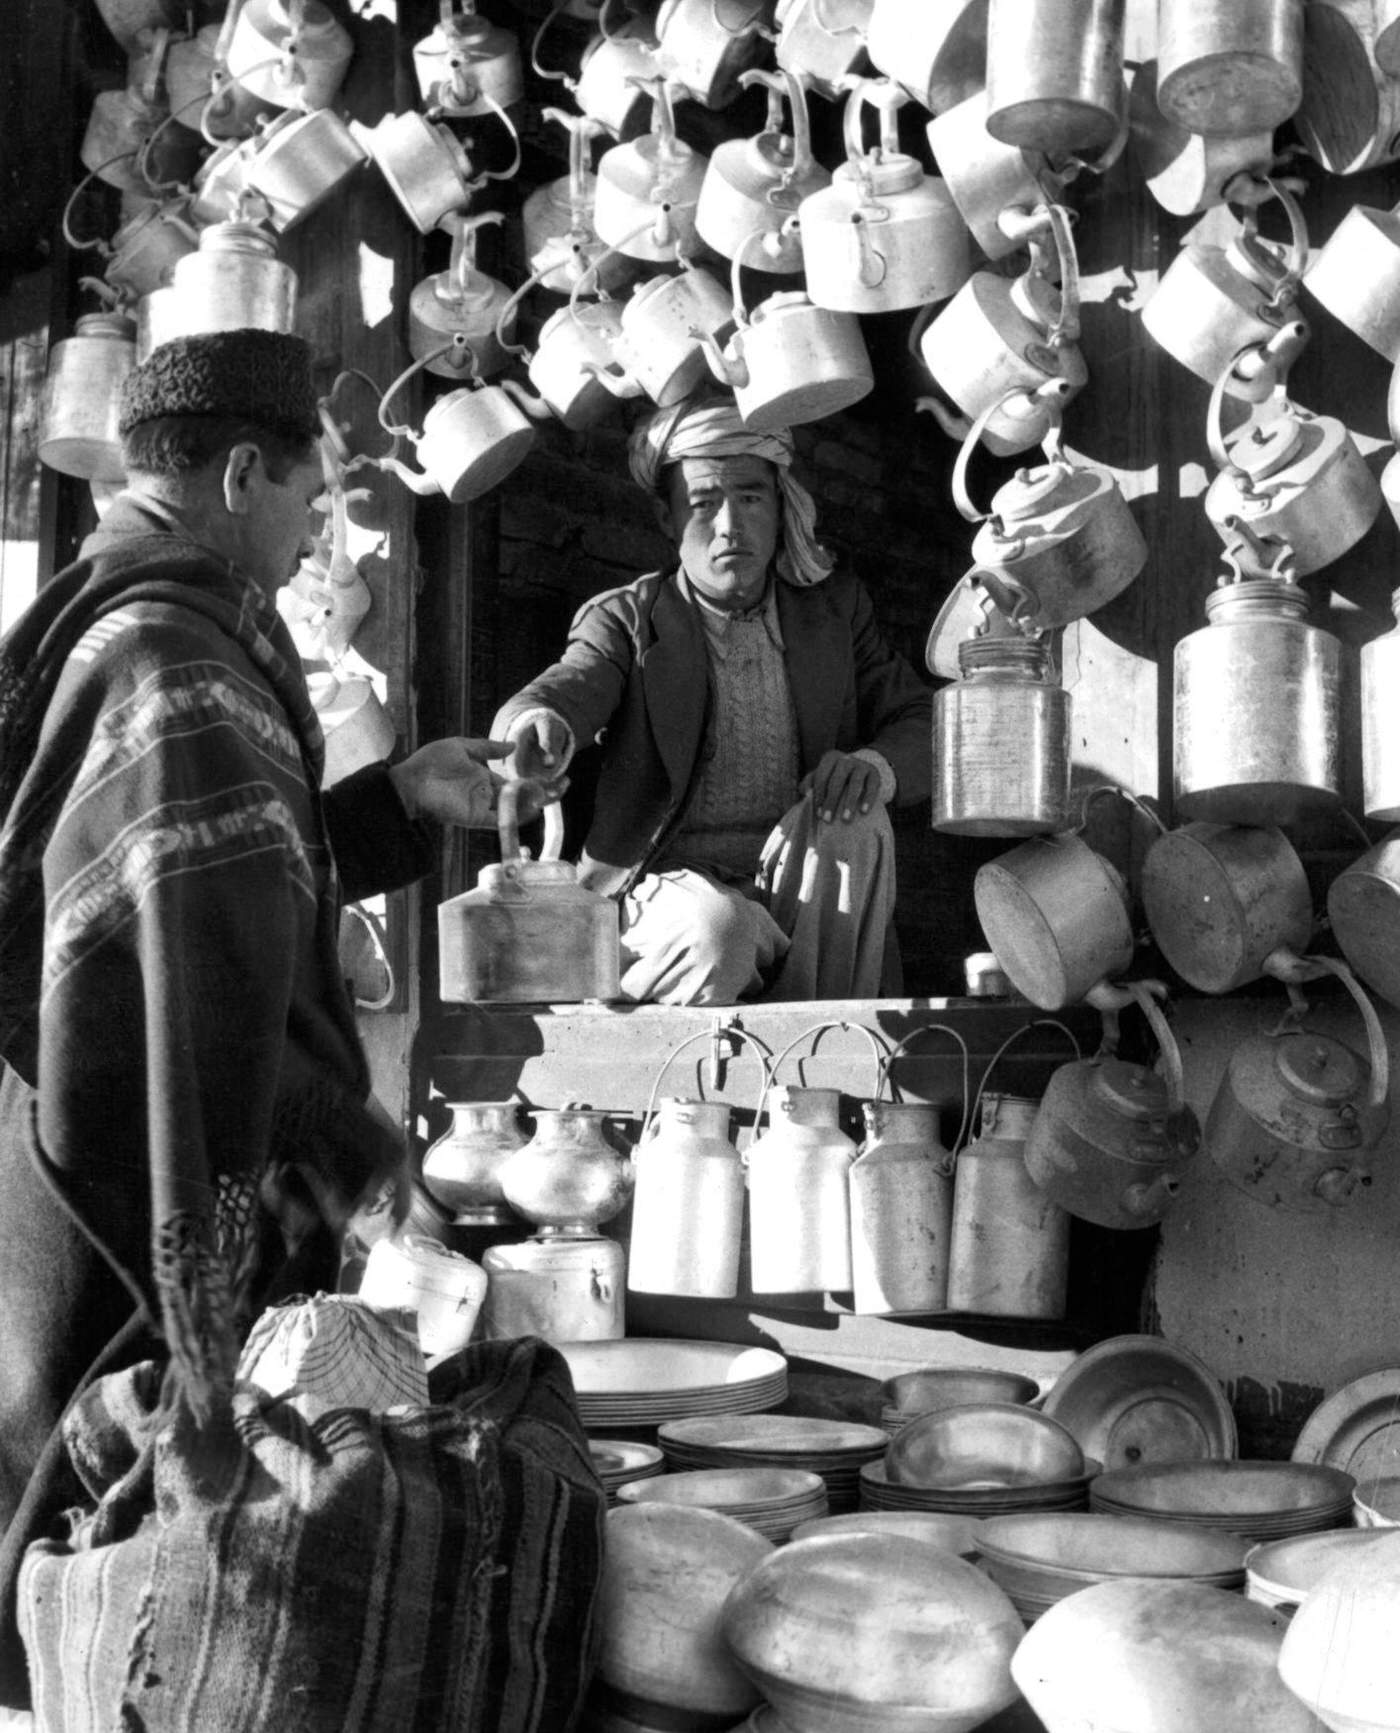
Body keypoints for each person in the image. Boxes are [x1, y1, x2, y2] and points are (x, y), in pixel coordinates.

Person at [0, 328, 560, 1710]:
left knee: (86, 1564)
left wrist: (396, 803)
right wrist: (363, 1160)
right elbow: (207, 957)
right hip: (139, 1169)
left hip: (75, 1136)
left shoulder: (128, 626)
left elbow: (218, 869)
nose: (322, 527)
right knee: (148, 1584)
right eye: (312, 493)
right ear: (243, 472)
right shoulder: (172, 660)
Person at [495, 392, 934, 1006]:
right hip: (668, 889)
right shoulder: (625, 620)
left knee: (857, 820)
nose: (731, 525)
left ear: (781, 507)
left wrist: (875, 768)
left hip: (798, 886)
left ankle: (816, 1062)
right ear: (667, 520)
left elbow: (922, 721)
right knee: (722, 928)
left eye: (751, 498)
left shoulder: (834, 616)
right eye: (704, 503)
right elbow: (573, 683)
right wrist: (537, 722)